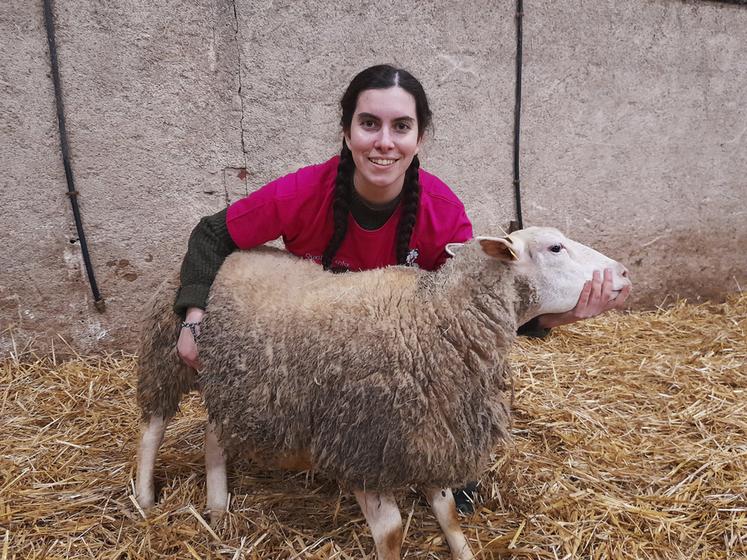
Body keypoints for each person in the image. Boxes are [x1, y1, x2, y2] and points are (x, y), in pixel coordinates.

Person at [172, 64, 630, 511]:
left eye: (401, 126)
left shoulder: (442, 212)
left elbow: (465, 320)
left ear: (419, 138)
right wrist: (195, 318)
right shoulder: (302, 192)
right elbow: (212, 235)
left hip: (387, 359)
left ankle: (437, 459)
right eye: (369, 124)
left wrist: (556, 317)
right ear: (348, 132)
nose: (384, 142)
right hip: (318, 345)